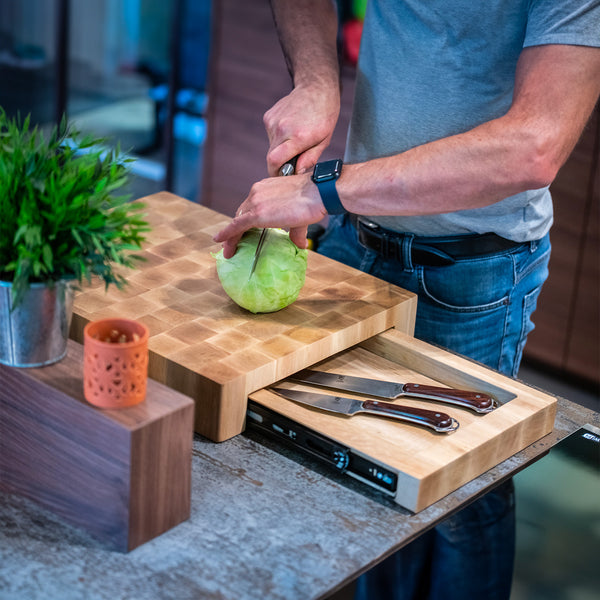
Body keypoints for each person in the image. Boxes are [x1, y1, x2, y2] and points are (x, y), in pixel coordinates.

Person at [214, 1, 600, 599]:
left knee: (460, 495)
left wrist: (324, 191)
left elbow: (534, 146)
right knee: (360, 472)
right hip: (355, 232)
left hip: (475, 272)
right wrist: (317, 79)